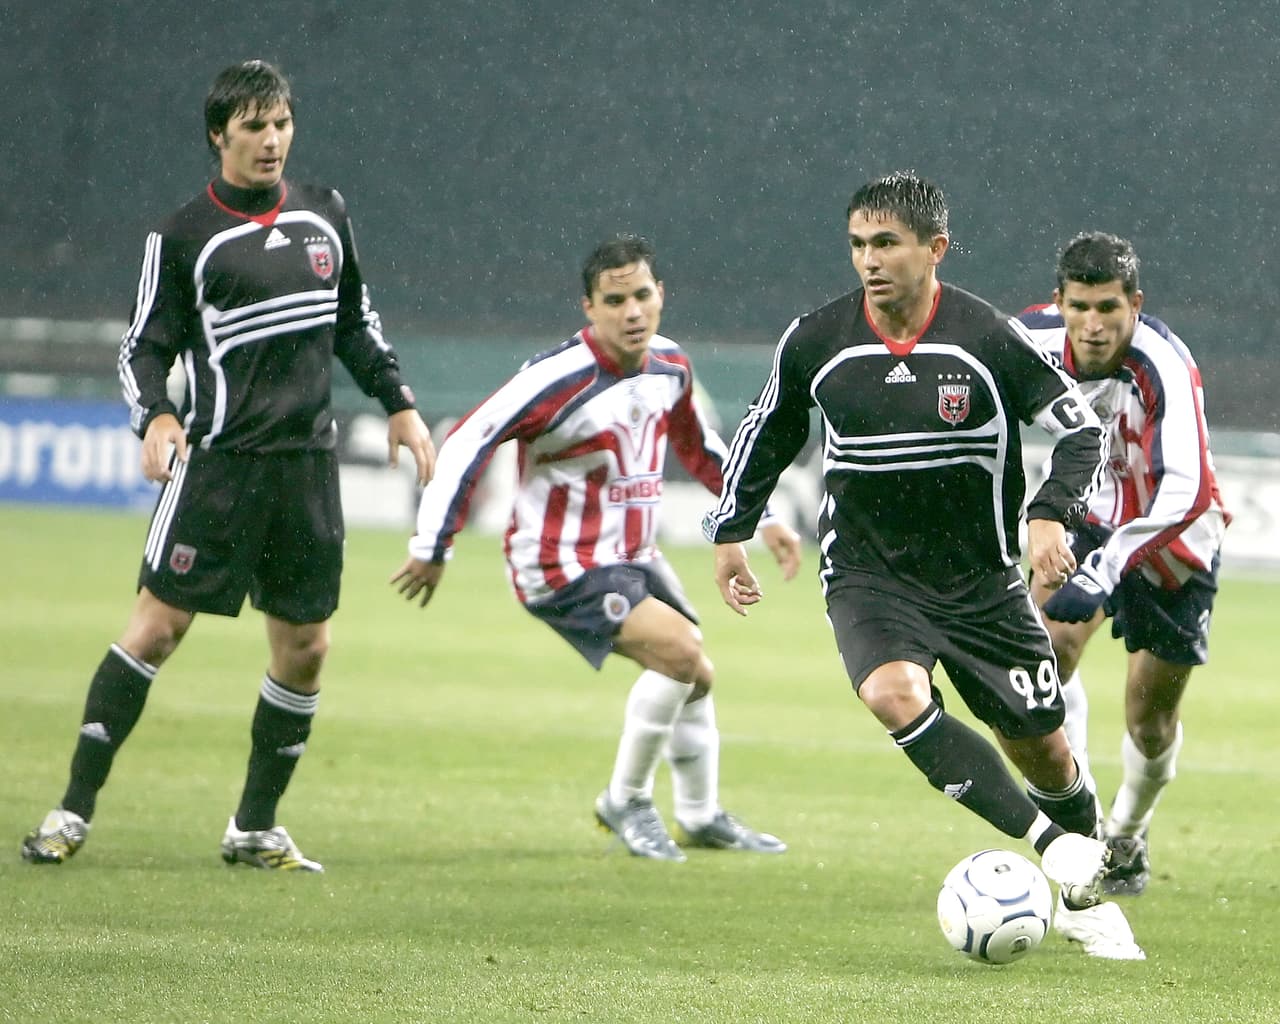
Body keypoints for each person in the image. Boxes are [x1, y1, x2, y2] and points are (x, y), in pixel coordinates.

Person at [702, 171, 1144, 959]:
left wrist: (1049, 514)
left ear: (935, 248)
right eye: (858, 245)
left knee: (1045, 750)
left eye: (887, 243)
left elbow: (1083, 431)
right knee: (892, 693)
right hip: (869, 575)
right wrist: (730, 530)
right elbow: (767, 431)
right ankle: (1052, 845)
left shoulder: (986, 337)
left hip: (981, 582)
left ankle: (1085, 897)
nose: (870, 261)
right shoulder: (817, 340)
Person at [21, 59, 436, 873]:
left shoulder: (325, 213)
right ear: (219, 136)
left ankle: (253, 827)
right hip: (218, 466)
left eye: (281, 123)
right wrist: (156, 415)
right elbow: (143, 347)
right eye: (254, 126)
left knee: (306, 648)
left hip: (305, 468)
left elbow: (354, 322)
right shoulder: (183, 236)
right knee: (156, 631)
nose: (272, 140)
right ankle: (71, 811)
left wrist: (398, 399)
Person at [392, 234, 801, 862]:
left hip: (632, 554)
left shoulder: (670, 366)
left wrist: (762, 516)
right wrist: (433, 542)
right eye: (615, 301)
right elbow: (469, 439)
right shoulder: (555, 378)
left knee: (696, 675)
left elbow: (700, 448)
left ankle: (699, 815)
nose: (632, 312)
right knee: (680, 652)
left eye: (642, 295)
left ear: (661, 295)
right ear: (589, 307)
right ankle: (625, 800)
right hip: (559, 562)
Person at [1018, 231, 1229, 896]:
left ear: (1135, 304)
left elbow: (1186, 490)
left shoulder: (1164, 363)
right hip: (1089, 514)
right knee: (1045, 652)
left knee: (1150, 718)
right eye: (1079, 306)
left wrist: (1103, 570)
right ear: (1058, 302)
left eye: (1109, 307)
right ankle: (1079, 824)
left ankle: (1127, 834)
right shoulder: (1025, 341)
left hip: (1173, 537)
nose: (1093, 324)